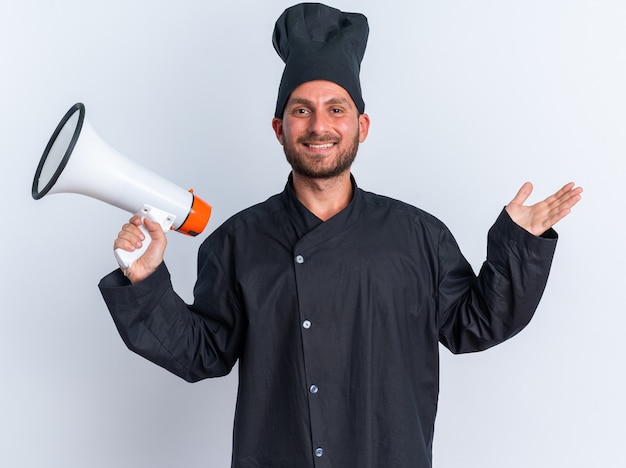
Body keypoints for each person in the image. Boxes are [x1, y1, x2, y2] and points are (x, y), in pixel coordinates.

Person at [99, 3, 582, 467]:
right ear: (279, 127)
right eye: (302, 111)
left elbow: (472, 324)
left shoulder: (418, 237)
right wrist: (145, 280)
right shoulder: (236, 242)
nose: (320, 126)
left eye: (336, 109)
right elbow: (203, 351)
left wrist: (516, 246)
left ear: (361, 126)